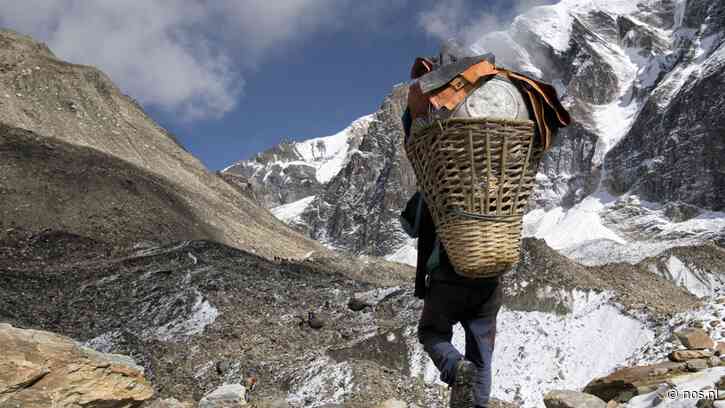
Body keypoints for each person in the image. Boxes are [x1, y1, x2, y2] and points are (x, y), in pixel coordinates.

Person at [401, 192, 501, 408]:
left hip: (447, 277)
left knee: (431, 332)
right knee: (481, 353)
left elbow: (409, 226)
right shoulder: (503, 180)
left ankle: (455, 366)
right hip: (489, 279)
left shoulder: (439, 178)